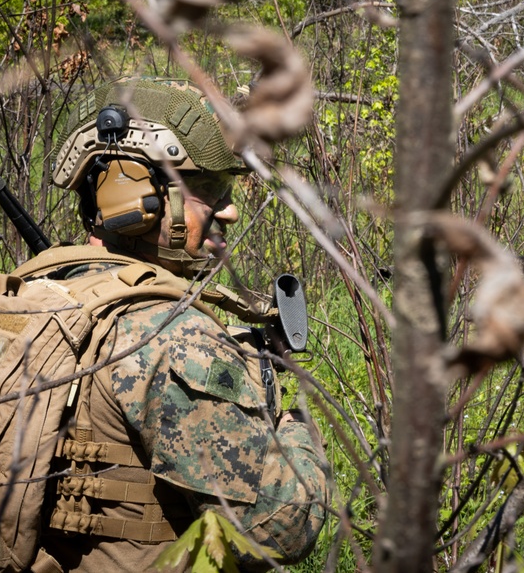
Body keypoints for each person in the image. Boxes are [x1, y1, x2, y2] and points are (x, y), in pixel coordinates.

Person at [32, 78, 328, 571]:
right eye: (208, 190)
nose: (229, 211)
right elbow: (276, 531)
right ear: (134, 198)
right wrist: (295, 428)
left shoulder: (31, 296)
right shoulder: (173, 338)